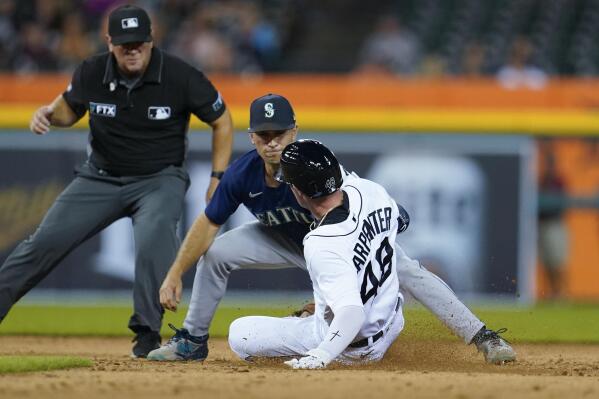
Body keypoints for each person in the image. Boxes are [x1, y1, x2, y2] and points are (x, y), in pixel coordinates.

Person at [148, 93, 515, 365]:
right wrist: (175, 273)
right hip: (284, 240)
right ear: (252, 138)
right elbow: (207, 222)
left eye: (280, 132)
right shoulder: (242, 174)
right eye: (264, 135)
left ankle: (482, 336)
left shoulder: (313, 164)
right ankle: (192, 341)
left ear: (295, 130)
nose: (273, 141)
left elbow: (351, 197)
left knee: (409, 271)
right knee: (216, 253)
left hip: (335, 244)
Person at [0, 5, 234, 358]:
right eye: (125, 44)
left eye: (139, 42)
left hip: (159, 178)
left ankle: (146, 334)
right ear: (109, 42)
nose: (133, 50)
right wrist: (50, 113)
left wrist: (217, 176)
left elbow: (222, 119)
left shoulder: (180, 74)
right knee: (44, 241)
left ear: (151, 39)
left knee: (155, 235)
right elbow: (69, 106)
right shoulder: (92, 71)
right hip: (100, 177)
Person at [229, 139, 404, 368]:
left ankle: (320, 347)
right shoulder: (372, 191)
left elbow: (352, 313)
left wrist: (322, 354)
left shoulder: (321, 242)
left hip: (352, 349)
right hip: (392, 322)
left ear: (299, 192)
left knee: (240, 333)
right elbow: (401, 221)